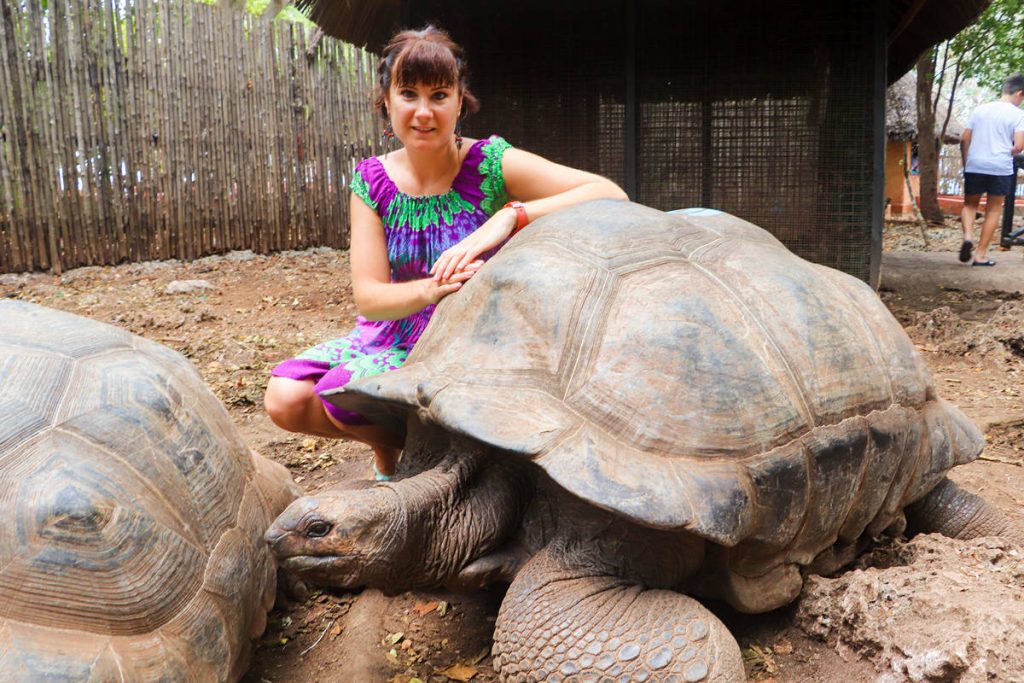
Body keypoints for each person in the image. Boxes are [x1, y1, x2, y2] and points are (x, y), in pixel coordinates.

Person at [263, 26, 628, 480]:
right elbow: (370, 298)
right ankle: (398, 446)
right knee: (286, 396)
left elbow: (609, 193)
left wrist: (510, 216)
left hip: (474, 338)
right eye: (408, 93)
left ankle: (459, 458)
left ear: (460, 101)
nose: (423, 112)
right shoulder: (371, 181)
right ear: (386, 101)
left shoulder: (490, 163)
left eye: (438, 95)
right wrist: (431, 289)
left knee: (342, 392)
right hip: (394, 333)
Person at [957, 74, 1024, 266]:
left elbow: (965, 138)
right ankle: (980, 255)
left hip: (975, 164)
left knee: (970, 205)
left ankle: (968, 237)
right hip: (1000, 166)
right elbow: (1019, 146)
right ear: (1019, 94)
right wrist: (1007, 149)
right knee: (993, 210)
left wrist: (967, 163)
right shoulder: (1018, 115)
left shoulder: (980, 110)